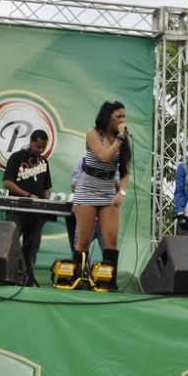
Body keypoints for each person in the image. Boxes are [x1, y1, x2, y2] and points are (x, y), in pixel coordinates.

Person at [72, 100, 131, 291]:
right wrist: (120, 140)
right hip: (87, 188)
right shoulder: (93, 133)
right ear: (108, 117)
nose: (122, 120)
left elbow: (125, 172)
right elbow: (104, 157)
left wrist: (121, 192)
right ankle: (79, 278)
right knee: (84, 238)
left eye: (124, 116)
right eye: (118, 117)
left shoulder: (122, 138)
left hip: (107, 190)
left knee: (111, 237)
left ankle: (108, 280)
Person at [2, 130, 52, 286]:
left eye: (43, 147)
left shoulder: (44, 162)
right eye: (38, 146)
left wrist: (46, 201)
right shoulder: (17, 157)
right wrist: (28, 195)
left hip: (36, 212)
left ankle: (27, 281)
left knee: (31, 248)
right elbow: (7, 182)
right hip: (17, 208)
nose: (40, 150)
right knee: (11, 244)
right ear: (31, 141)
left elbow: (46, 187)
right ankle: (7, 278)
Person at [65, 156, 119, 256]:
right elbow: (74, 186)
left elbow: (117, 188)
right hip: (86, 214)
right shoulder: (82, 163)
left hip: (105, 216)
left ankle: (109, 270)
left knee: (109, 248)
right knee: (80, 246)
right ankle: (80, 270)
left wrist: (107, 173)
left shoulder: (115, 165)